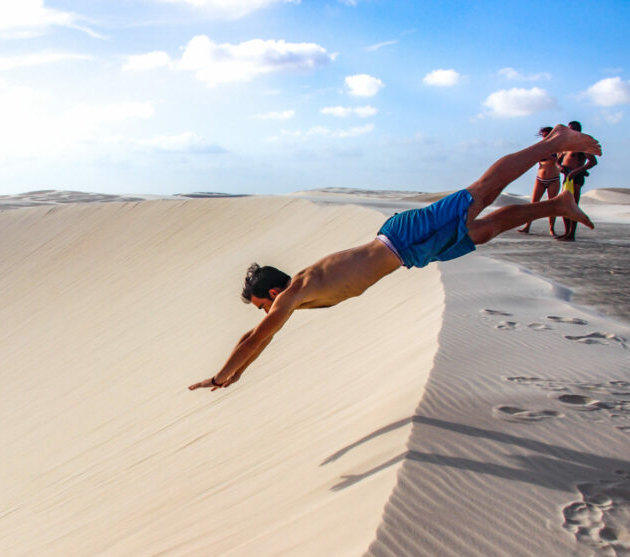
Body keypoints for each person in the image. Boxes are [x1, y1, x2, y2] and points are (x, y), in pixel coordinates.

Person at [189, 124, 601, 392]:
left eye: (262, 306)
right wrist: (237, 375)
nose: (265, 314)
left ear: (272, 293)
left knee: (485, 189)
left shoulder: (293, 293)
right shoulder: (296, 295)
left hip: (402, 237)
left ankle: (553, 142)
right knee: (487, 229)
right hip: (410, 253)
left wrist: (221, 374)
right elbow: (260, 341)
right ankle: (558, 204)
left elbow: (255, 338)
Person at [555, 121, 598, 241]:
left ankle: (571, 234)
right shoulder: (566, 144)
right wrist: (560, 167)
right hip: (566, 176)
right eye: (569, 129)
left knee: (573, 205)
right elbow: (558, 160)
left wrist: (579, 170)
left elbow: (593, 161)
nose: (570, 131)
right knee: (564, 205)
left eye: (573, 129)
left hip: (576, 177)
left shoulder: (582, 144)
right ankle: (566, 232)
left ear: (578, 130)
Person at [519, 126, 561, 234]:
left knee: (552, 204)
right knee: (533, 203)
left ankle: (552, 229)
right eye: (543, 136)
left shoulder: (558, 147)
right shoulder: (540, 147)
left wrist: (550, 157)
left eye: (547, 135)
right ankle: (527, 226)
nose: (545, 138)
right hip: (540, 178)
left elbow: (560, 162)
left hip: (554, 179)